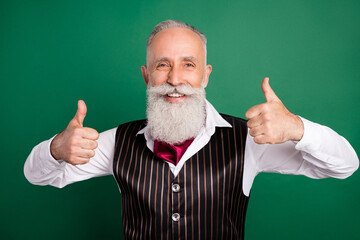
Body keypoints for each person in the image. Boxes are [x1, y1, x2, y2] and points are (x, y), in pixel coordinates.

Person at [24, 20, 359, 240]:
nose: (174, 79)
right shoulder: (116, 142)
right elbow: (36, 175)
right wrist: (56, 148)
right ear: (146, 76)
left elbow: (346, 165)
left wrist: (297, 128)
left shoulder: (248, 140)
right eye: (162, 65)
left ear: (205, 75)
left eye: (188, 64)